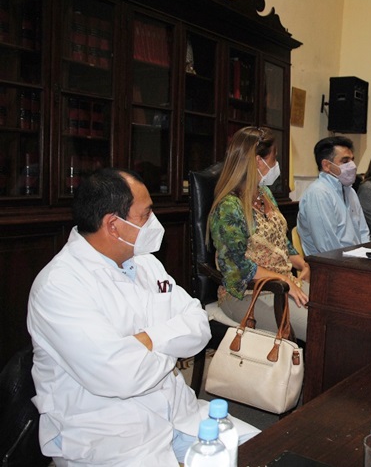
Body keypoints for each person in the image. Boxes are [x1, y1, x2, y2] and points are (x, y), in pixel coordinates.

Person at [26, 168, 260, 466]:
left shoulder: (145, 263)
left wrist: (147, 341)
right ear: (113, 225)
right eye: (146, 214)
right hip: (112, 436)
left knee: (267, 451)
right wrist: (171, 342)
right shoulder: (59, 286)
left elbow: (198, 323)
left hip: (180, 414)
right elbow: (121, 376)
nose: (154, 222)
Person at [209, 126, 310, 340]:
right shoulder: (229, 207)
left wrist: (303, 264)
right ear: (258, 161)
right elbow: (237, 268)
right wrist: (283, 279)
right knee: (317, 325)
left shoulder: (265, 193)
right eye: (274, 158)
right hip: (246, 293)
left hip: (281, 284)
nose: (276, 164)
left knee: (335, 312)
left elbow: (281, 240)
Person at [297, 136, 370, 255]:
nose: (352, 166)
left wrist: (366, 256)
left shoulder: (350, 191)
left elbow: (363, 231)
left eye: (352, 160)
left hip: (356, 259)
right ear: (326, 165)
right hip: (331, 263)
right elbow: (328, 248)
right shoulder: (318, 193)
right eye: (345, 161)